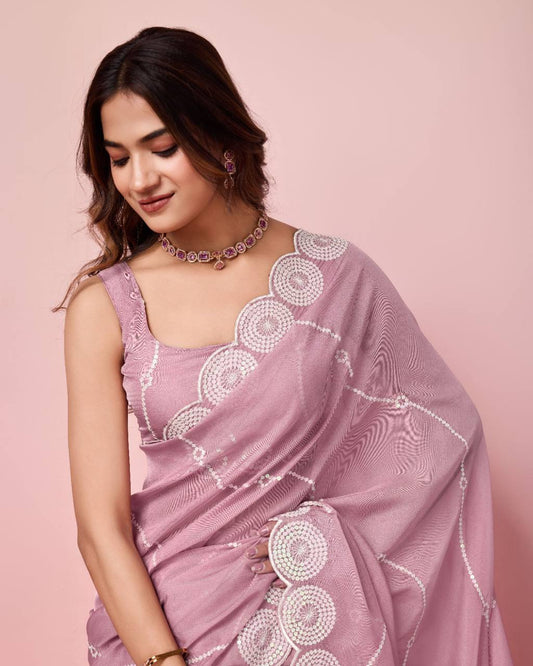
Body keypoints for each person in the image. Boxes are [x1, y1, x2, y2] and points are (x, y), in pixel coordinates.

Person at [58, 26, 514, 665]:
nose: (140, 179)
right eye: (118, 158)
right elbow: (100, 528)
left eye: (162, 148)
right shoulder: (105, 308)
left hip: (312, 622)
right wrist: (164, 661)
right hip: (164, 625)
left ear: (219, 136)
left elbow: (441, 441)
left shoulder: (336, 278)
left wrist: (316, 544)